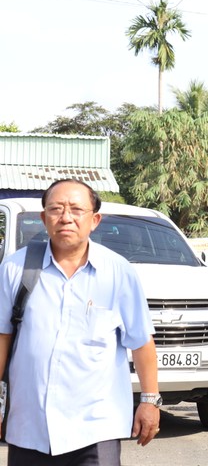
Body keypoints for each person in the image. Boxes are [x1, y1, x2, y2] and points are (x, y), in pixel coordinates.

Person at [0, 178, 160, 464]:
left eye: (76, 209)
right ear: (43, 218)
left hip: (95, 428)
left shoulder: (118, 272)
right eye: (56, 209)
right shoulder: (15, 268)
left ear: (94, 219)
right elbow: (2, 336)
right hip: (29, 426)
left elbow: (142, 341)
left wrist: (150, 401)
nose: (66, 218)